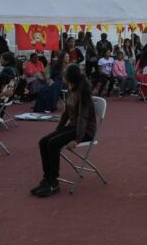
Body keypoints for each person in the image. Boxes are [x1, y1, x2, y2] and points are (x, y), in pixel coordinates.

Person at [31, 65, 98, 197]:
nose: (63, 76)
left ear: (70, 77)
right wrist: (58, 130)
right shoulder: (71, 90)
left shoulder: (82, 92)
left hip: (85, 131)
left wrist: (77, 140)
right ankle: (47, 178)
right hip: (73, 126)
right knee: (43, 142)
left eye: (65, 74)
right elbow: (66, 113)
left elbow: (82, 117)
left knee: (53, 144)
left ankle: (54, 181)